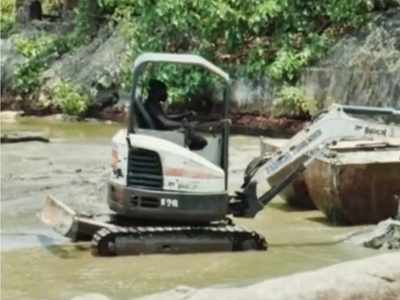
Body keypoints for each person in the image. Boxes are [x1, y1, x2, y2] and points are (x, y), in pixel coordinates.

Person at [144, 79, 207, 151]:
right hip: (161, 135)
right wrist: (184, 124)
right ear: (156, 91)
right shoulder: (151, 105)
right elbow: (165, 123)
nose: (165, 94)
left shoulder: (155, 104)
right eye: (163, 91)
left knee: (191, 127)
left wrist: (184, 115)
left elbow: (166, 118)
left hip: (162, 132)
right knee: (192, 130)